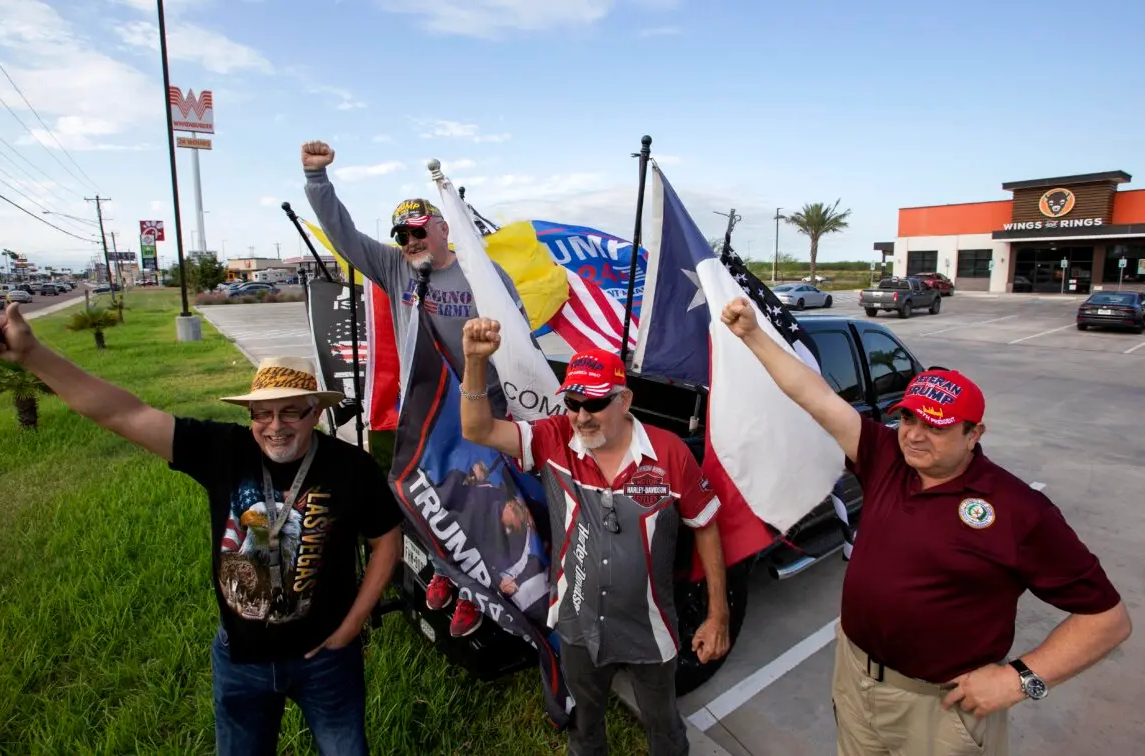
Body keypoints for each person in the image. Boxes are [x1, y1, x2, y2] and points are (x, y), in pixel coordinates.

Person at [0, 304, 403, 756]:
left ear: (315, 412)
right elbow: (122, 414)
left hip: (325, 660)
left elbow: (386, 540)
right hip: (240, 660)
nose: (275, 427)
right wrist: (33, 354)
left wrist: (352, 626)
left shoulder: (350, 466)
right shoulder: (224, 450)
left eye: (291, 412)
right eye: (262, 414)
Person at [719, 296, 1131, 756]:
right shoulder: (886, 457)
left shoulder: (1019, 510)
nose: (914, 434)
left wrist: (1022, 680)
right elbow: (814, 396)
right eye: (909, 418)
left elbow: (1108, 620)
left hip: (941, 711)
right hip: (857, 681)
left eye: (935, 427)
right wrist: (752, 334)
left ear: (974, 435)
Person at [457, 317, 730, 756]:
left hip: (651, 627)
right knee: (584, 730)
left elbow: (707, 525)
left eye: (595, 403)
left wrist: (718, 615)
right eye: (573, 402)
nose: (581, 415)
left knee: (665, 730)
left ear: (625, 400)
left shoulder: (670, 452)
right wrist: (473, 362)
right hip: (578, 626)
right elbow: (478, 429)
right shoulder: (554, 438)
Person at [303, 139, 526, 638]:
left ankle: (477, 592)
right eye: (401, 234)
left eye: (419, 231)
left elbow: (518, 344)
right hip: (422, 411)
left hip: (477, 408)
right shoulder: (396, 267)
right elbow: (343, 234)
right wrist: (317, 180)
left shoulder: (484, 277)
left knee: (479, 502)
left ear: (444, 229)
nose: (410, 241)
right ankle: (446, 574)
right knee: (428, 500)